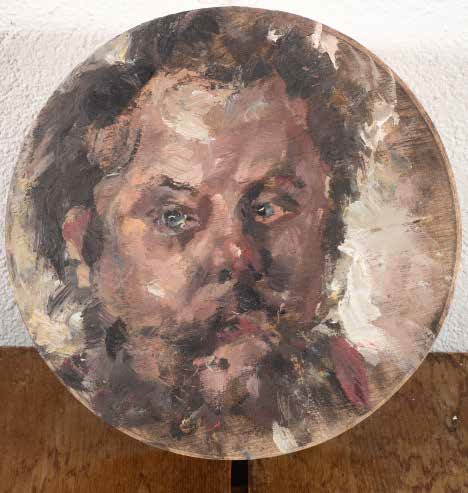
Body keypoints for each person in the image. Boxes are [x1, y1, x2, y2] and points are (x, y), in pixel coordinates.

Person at [17, 9, 391, 457]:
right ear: (84, 246)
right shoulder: (54, 422)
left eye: (269, 208)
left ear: (328, 230)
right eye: (174, 217)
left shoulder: (367, 405)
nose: (235, 255)